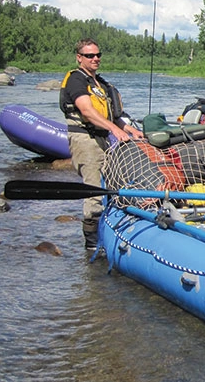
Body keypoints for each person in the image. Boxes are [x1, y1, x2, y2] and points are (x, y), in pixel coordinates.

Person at [59, 38, 143, 250]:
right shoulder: (76, 80)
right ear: (79, 58)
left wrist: (129, 129)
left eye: (98, 55)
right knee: (94, 189)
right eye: (89, 55)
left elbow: (114, 116)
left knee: (113, 183)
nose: (95, 59)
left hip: (102, 138)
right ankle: (91, 244)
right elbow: (87, 111)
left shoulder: (101, 84)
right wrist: (114, 130)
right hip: (85, 139)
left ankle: (112, 231)